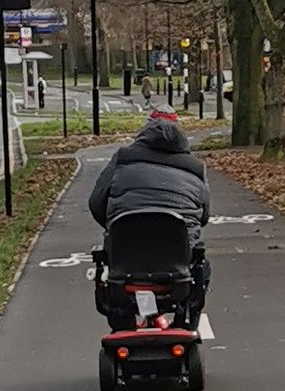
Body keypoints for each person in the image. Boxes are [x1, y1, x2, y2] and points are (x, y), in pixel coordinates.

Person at [88, 107, 212, 327]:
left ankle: (122, 328)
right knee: (202, 267)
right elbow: (203, 216)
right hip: (178, 268)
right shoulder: (195, 169)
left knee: (109, 275)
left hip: (124, 262)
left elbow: (96, 203)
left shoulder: (122, 160)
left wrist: (115, 226)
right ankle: (186, 327)